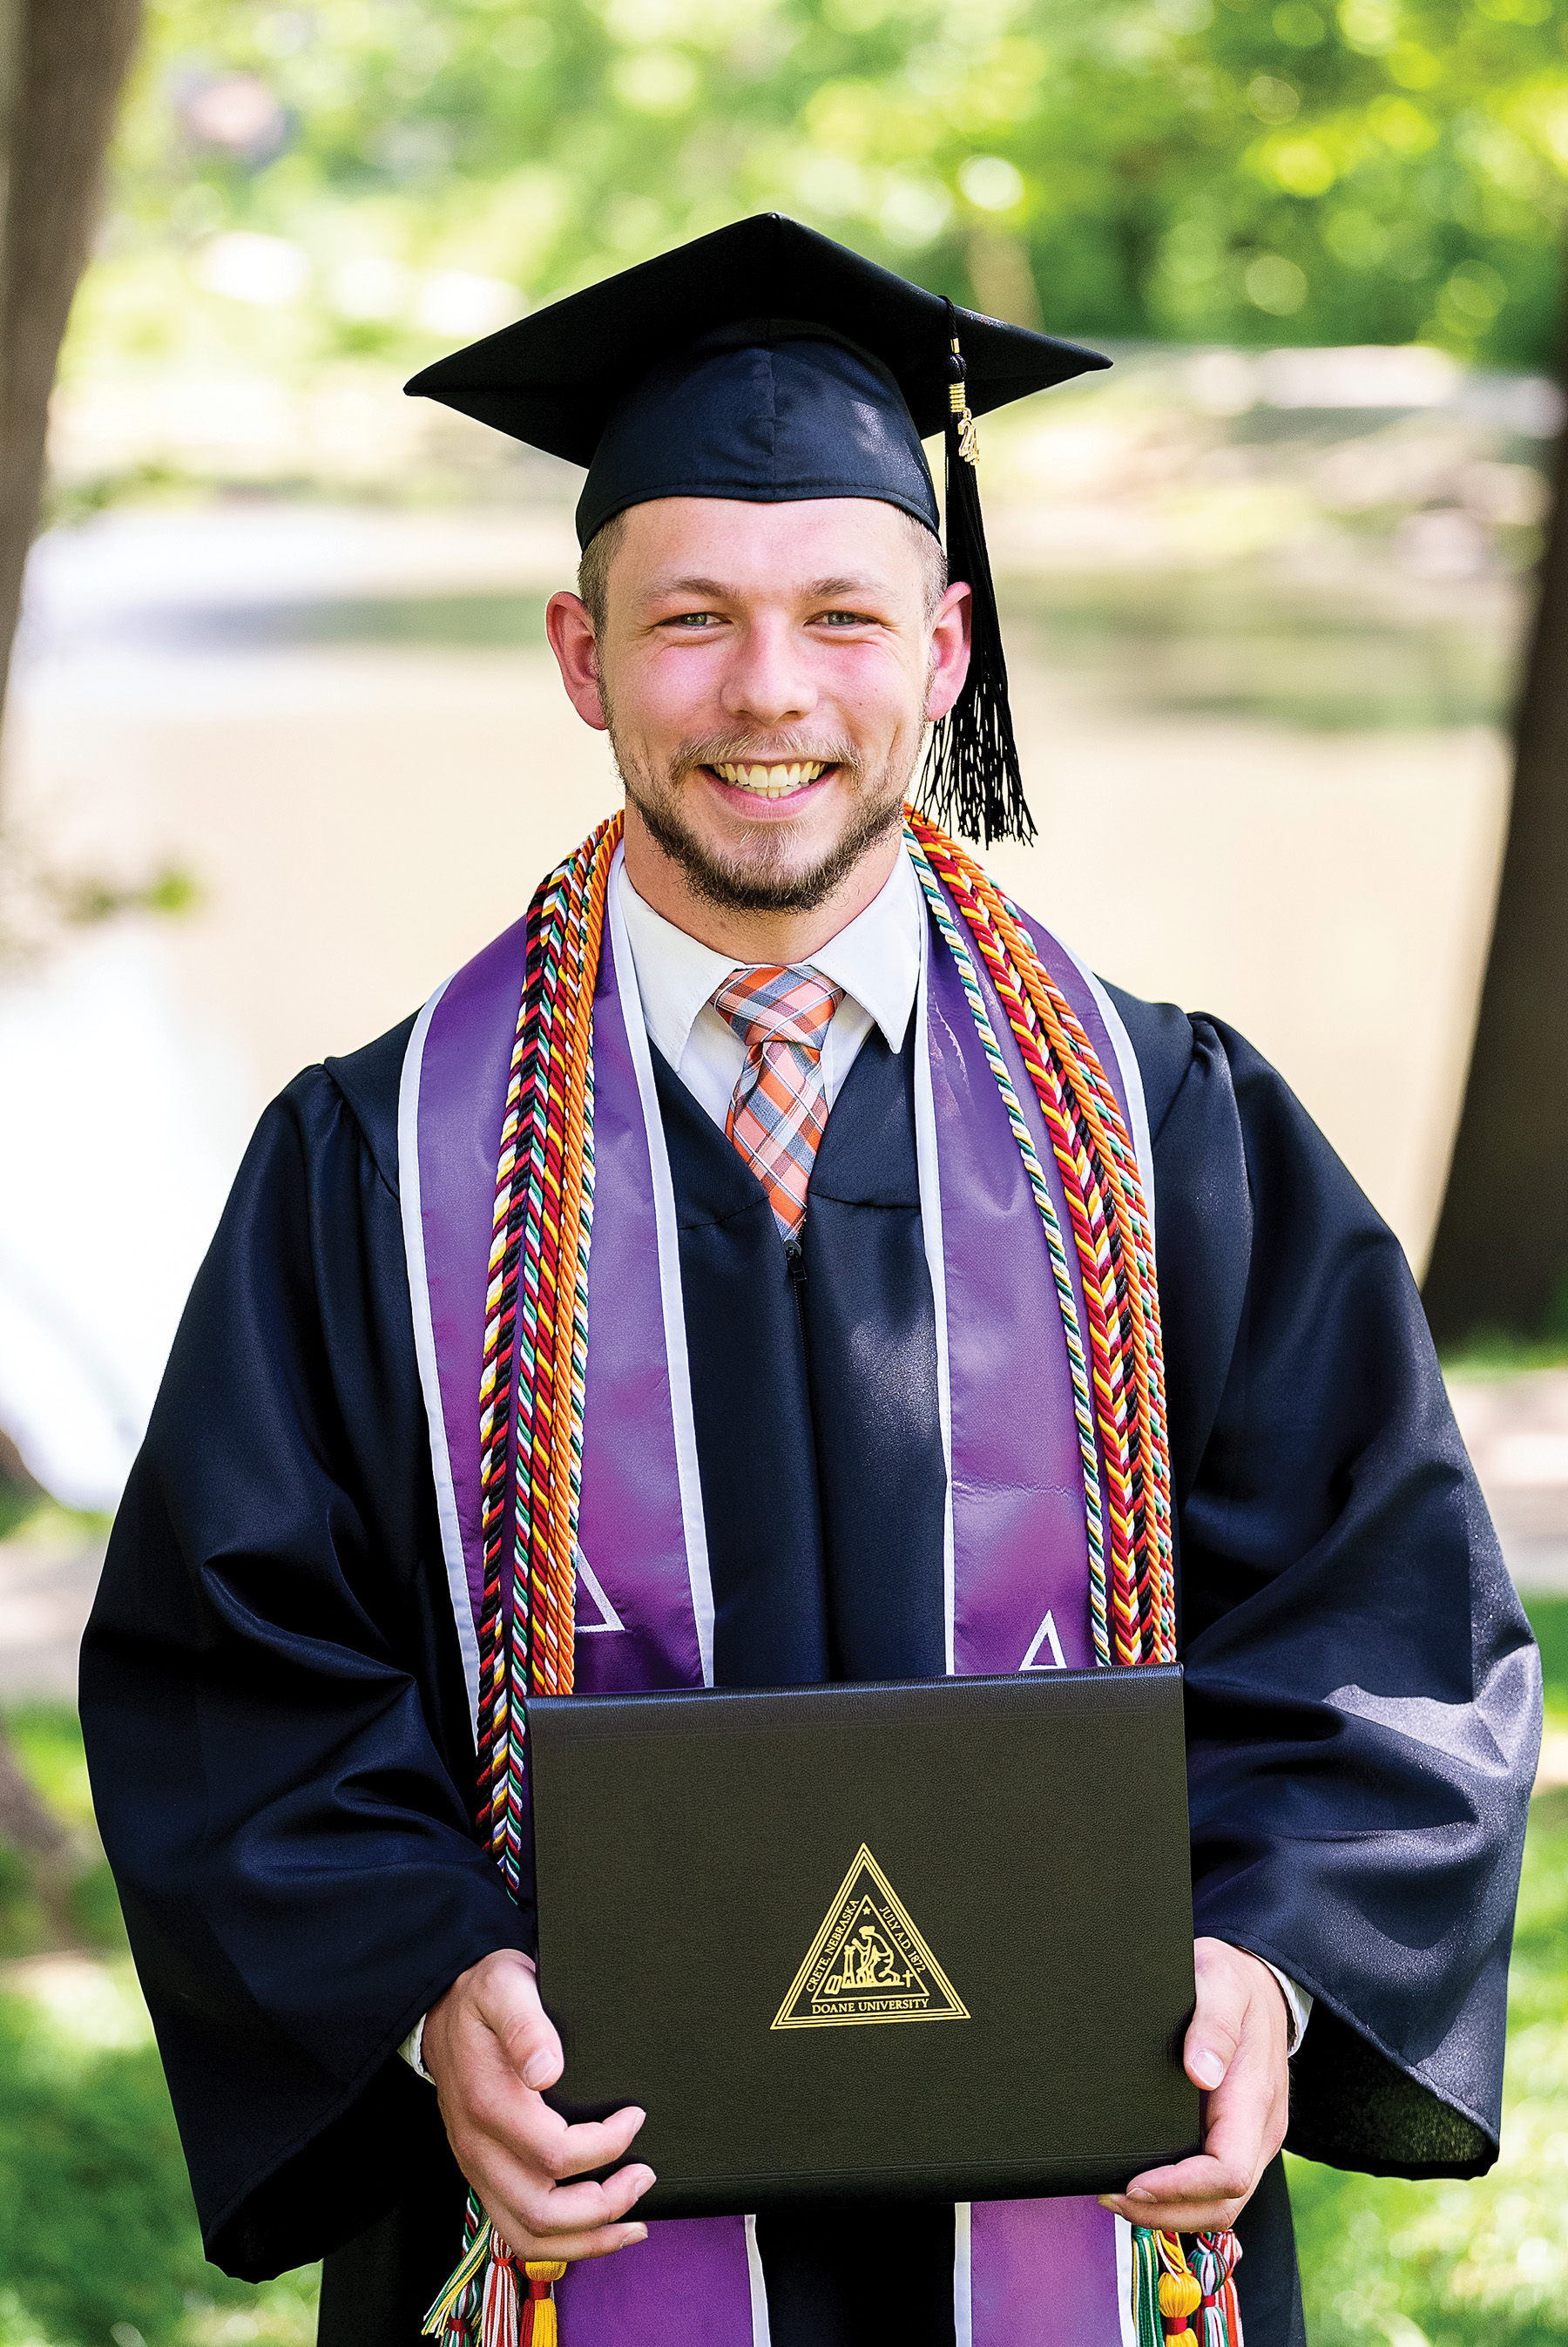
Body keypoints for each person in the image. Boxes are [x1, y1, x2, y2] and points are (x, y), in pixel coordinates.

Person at [80, 215, 1540, 2347]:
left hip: (1088, 2209)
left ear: (944, 654)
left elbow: (1380, 1630)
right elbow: (238, 1676)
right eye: (691, 621)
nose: (769, 694)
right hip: (569, 2236)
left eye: (840, 619)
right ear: (582, 656)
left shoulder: (1174, 1134)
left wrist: (1273, 1966)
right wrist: (417, 1990)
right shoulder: (369, 1171)